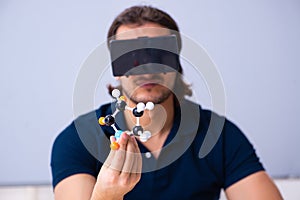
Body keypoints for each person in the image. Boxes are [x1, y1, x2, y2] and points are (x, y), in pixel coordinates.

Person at [50, 5, 283, 200]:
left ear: (177, 62)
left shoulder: (218, 135)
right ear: (116, 70)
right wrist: (106, 195)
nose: (146, 69)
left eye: (159, 54)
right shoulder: (79, 139)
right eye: (130, 56)